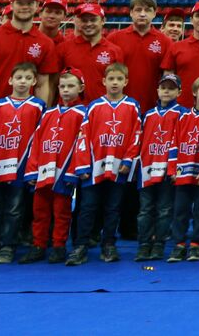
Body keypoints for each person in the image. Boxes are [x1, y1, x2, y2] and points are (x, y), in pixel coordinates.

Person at [66, 62, 141, 265]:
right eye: (111, 79)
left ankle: (109, 244)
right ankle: (80, 246)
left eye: (119, 79)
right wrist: (82, 165)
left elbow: (136, 135)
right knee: (88, 207)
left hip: (119, 168)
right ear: (104, 81)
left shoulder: (132, 106)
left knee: (113, 207)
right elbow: (83, 137)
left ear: (126, 81)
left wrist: (127, 160)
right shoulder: (94, 106)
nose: (115, 83)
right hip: (93, 168)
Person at [0, 62, 45, 265]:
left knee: (15, 209)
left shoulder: (38, 106)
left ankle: (8, 247)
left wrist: (33, 169)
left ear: (34, 81)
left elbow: (39, 141)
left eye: (28, 78)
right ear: (10, 80)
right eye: (19, 77)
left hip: (21, 170)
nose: (23, 81)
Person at [23, 68, 85, 264]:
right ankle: (38, 245)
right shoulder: (48, 113)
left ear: (81, 88)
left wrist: (73, 172)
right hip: (43, 173)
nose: (66, 90)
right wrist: (32, 170)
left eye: (71, 86)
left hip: (64, 174)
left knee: (62, 212)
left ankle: (59, 246)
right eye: (63, 86)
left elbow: (82, 145)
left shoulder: (82, 114)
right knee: (39, 212)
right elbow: (36, 142)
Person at [167, 74, 199, 263]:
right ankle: (179, 244)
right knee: (180, 209)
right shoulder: (183, 116)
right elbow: (174, 143)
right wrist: (172, 169)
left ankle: (196, 245)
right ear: (195, 92)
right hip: (183, 171)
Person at [133, 74, 183, 261]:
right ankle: (144, 244)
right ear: (157, 90)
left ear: (179, 91)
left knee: (164, 209)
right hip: (147, 167)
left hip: (167, 170)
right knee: (145, 209)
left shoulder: (182, 113)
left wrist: (175, 168)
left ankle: (159, 244)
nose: (167, 91)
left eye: (171, 88)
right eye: (163, 87)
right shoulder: (148, 114)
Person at [108, 0, 170, 110]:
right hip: (119, 106)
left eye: (147, 10)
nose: (142, 14)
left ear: (154, 13)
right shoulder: (114, 38)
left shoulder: (165, 42)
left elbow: (167, 76)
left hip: (153, 106)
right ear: (131, 13)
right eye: (138, 10)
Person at [54, 3, 124, 102]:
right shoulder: (63, 48)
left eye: (93, 20)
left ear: (103, 21)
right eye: (84, 20)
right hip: (71, 111)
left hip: (101, 110)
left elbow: (118, 84)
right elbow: (54, 83)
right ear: (78, 22)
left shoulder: (115, 51)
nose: (88, 24)